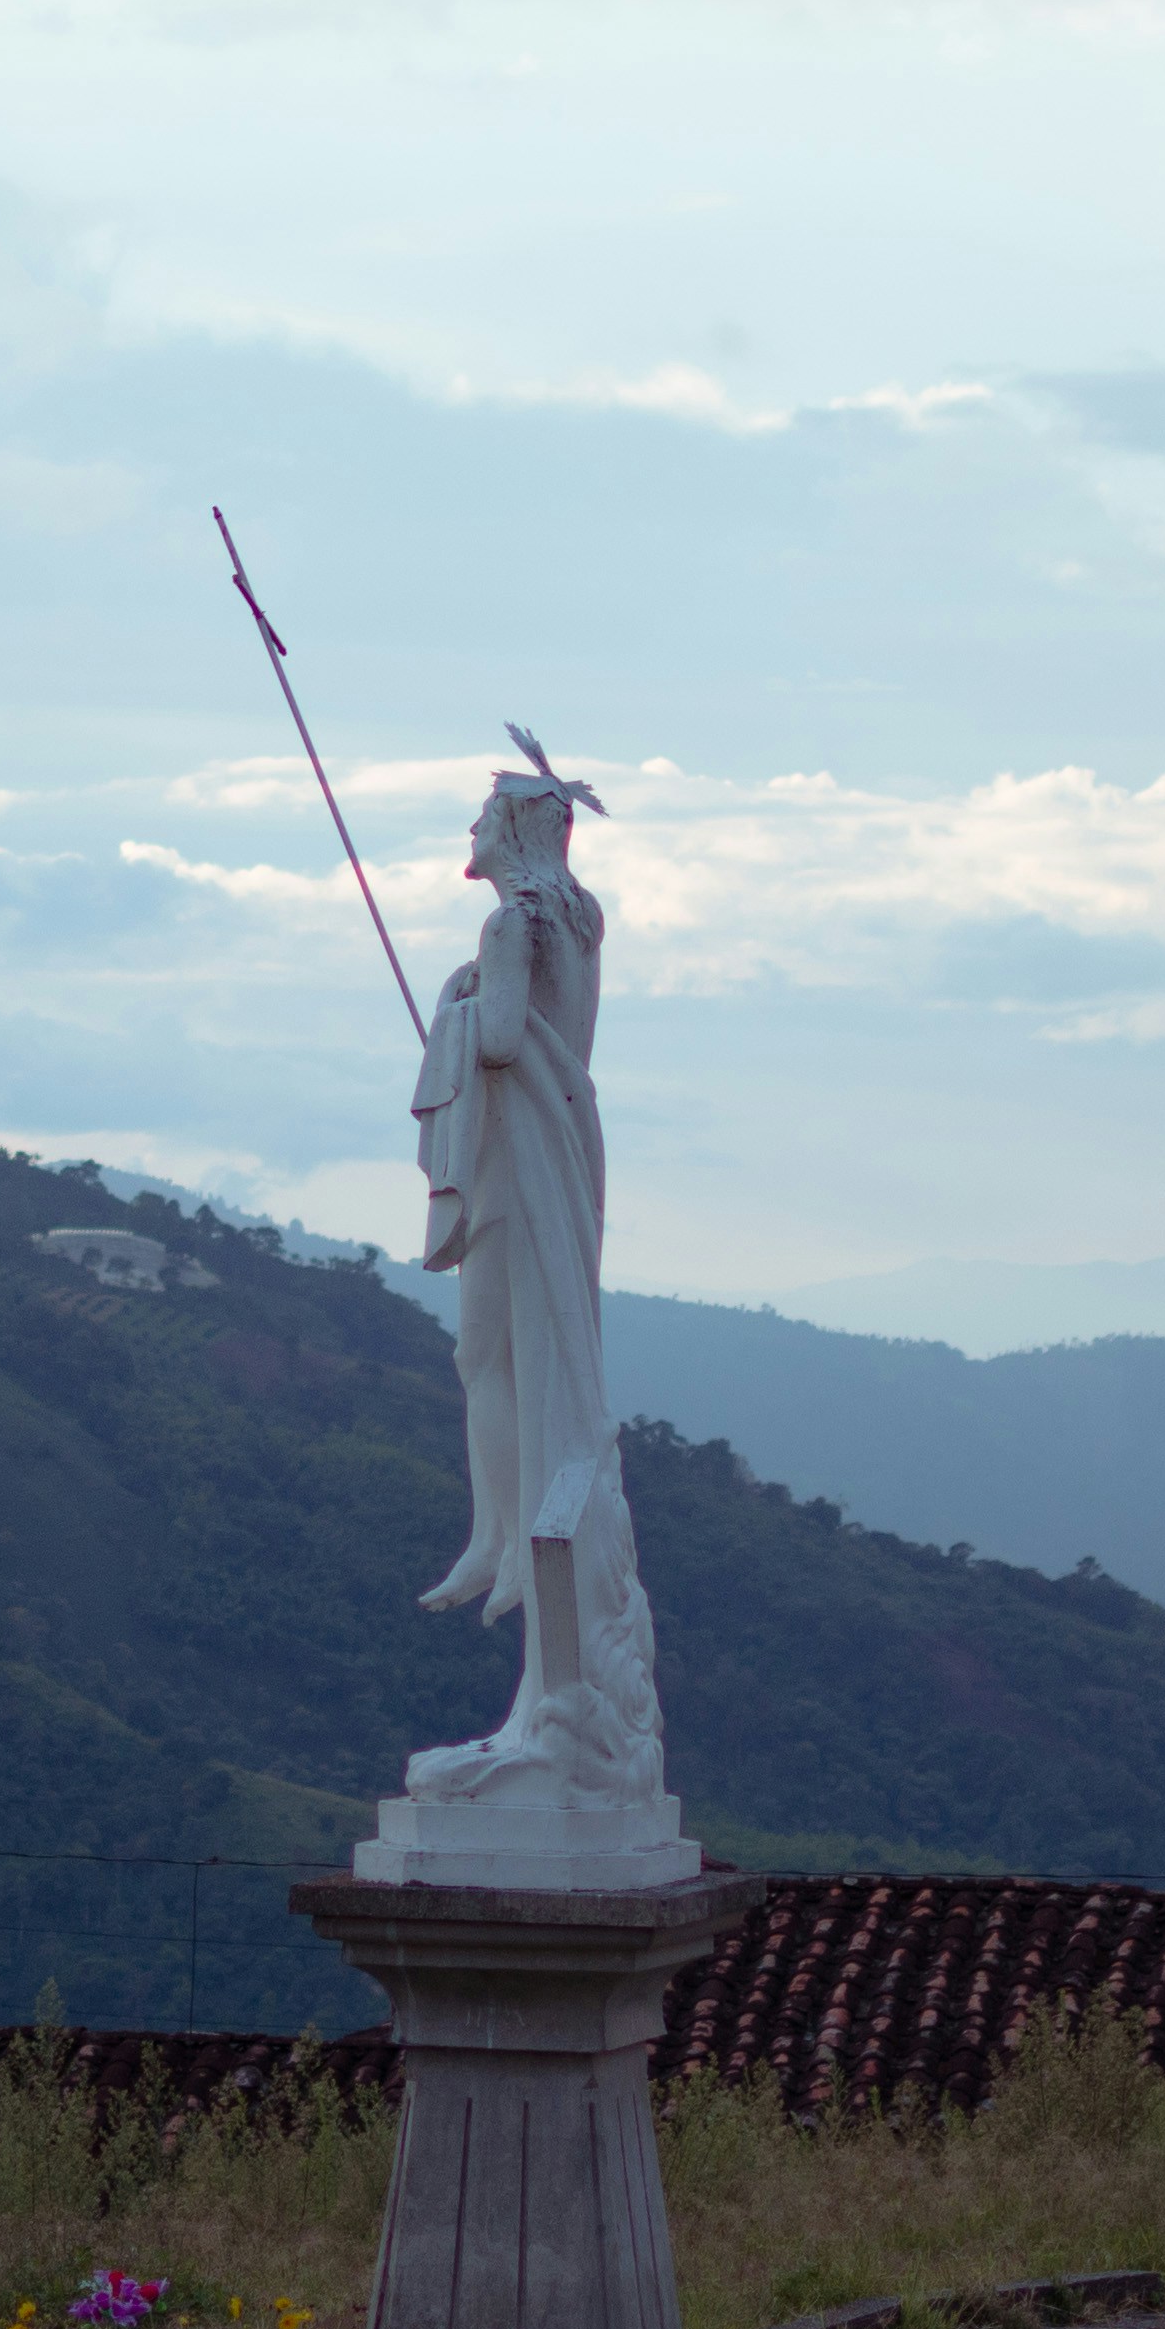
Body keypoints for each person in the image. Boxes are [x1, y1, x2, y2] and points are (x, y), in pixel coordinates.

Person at [405, 731, 664, 1804]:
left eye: (480, 815)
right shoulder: (579, 921)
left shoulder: (510, 922)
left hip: (519, 1159)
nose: (468, 830)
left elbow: (504, 1039)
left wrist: (457, 1005)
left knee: (489, 1350)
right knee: (527, 1350)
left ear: (511, 830)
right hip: (563, 1145)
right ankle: (505, 1546)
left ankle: (497, 1535)